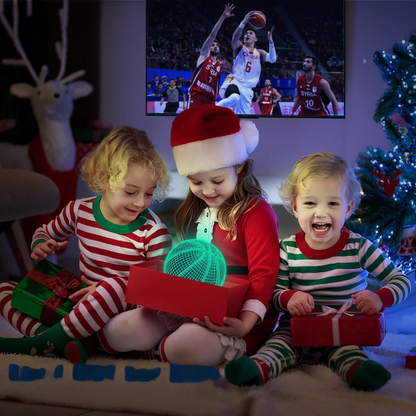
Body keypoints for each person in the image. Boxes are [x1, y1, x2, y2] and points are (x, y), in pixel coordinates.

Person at [97, 105, 281, 367]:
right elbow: (184, 266)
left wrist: (245, 324)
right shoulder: (196, 209)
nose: (207, 190)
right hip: (191, 306)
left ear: (239, 167)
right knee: (122, 329)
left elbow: (264, 275)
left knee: (187, 344)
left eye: (217, 180)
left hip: (237, 317)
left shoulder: (256, 211)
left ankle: (153, 352)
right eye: (196, 182)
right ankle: (145, 346)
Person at [222, 152, 411, 390]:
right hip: (297, 329)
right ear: (295, 207)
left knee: (349, 353)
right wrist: (290, 298)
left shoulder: (359, 247)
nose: (321, 212)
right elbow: (273, 294)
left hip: (345, 329)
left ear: (349, 208)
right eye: (310, 203)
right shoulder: (288, 249)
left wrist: (379, 297)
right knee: (276, 346)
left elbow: (401, 280)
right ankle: (256, 368)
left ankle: (361, 373)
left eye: (332, 203)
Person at [0, 126, 172, 363]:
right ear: (105, 178)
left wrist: (109, 291)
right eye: (130, 192)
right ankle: (70, 342)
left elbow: (161, 289)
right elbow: (45, 232)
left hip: (122, 316)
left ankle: (43, 342)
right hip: (77, 309)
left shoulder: (154, 232)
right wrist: (41, 243)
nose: (140, 202)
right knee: (6, 290)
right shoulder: (79, 210)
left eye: (149, 193)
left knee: (114, 286)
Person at [216, 11, 277, 115]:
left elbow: (273, 59)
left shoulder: (259, 53)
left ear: (255, 39)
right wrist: (243, 22)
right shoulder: (239, 48)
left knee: (242, 120)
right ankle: (214, 108)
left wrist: (271, 43)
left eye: (250, 33)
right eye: (246, 33)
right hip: (235, 81)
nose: (247, 34)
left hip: (247, 90)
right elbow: (234, 39)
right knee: (234, 97)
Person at [188, 3, 234, 108]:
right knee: (194, 123)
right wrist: (223, 17)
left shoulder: (221, 64)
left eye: (217, 45)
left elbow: (235, 71)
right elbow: (212, 35)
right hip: (197, 95)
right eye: (212, 45)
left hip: (210, 99)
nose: (215, 46)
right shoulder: (204, 56)